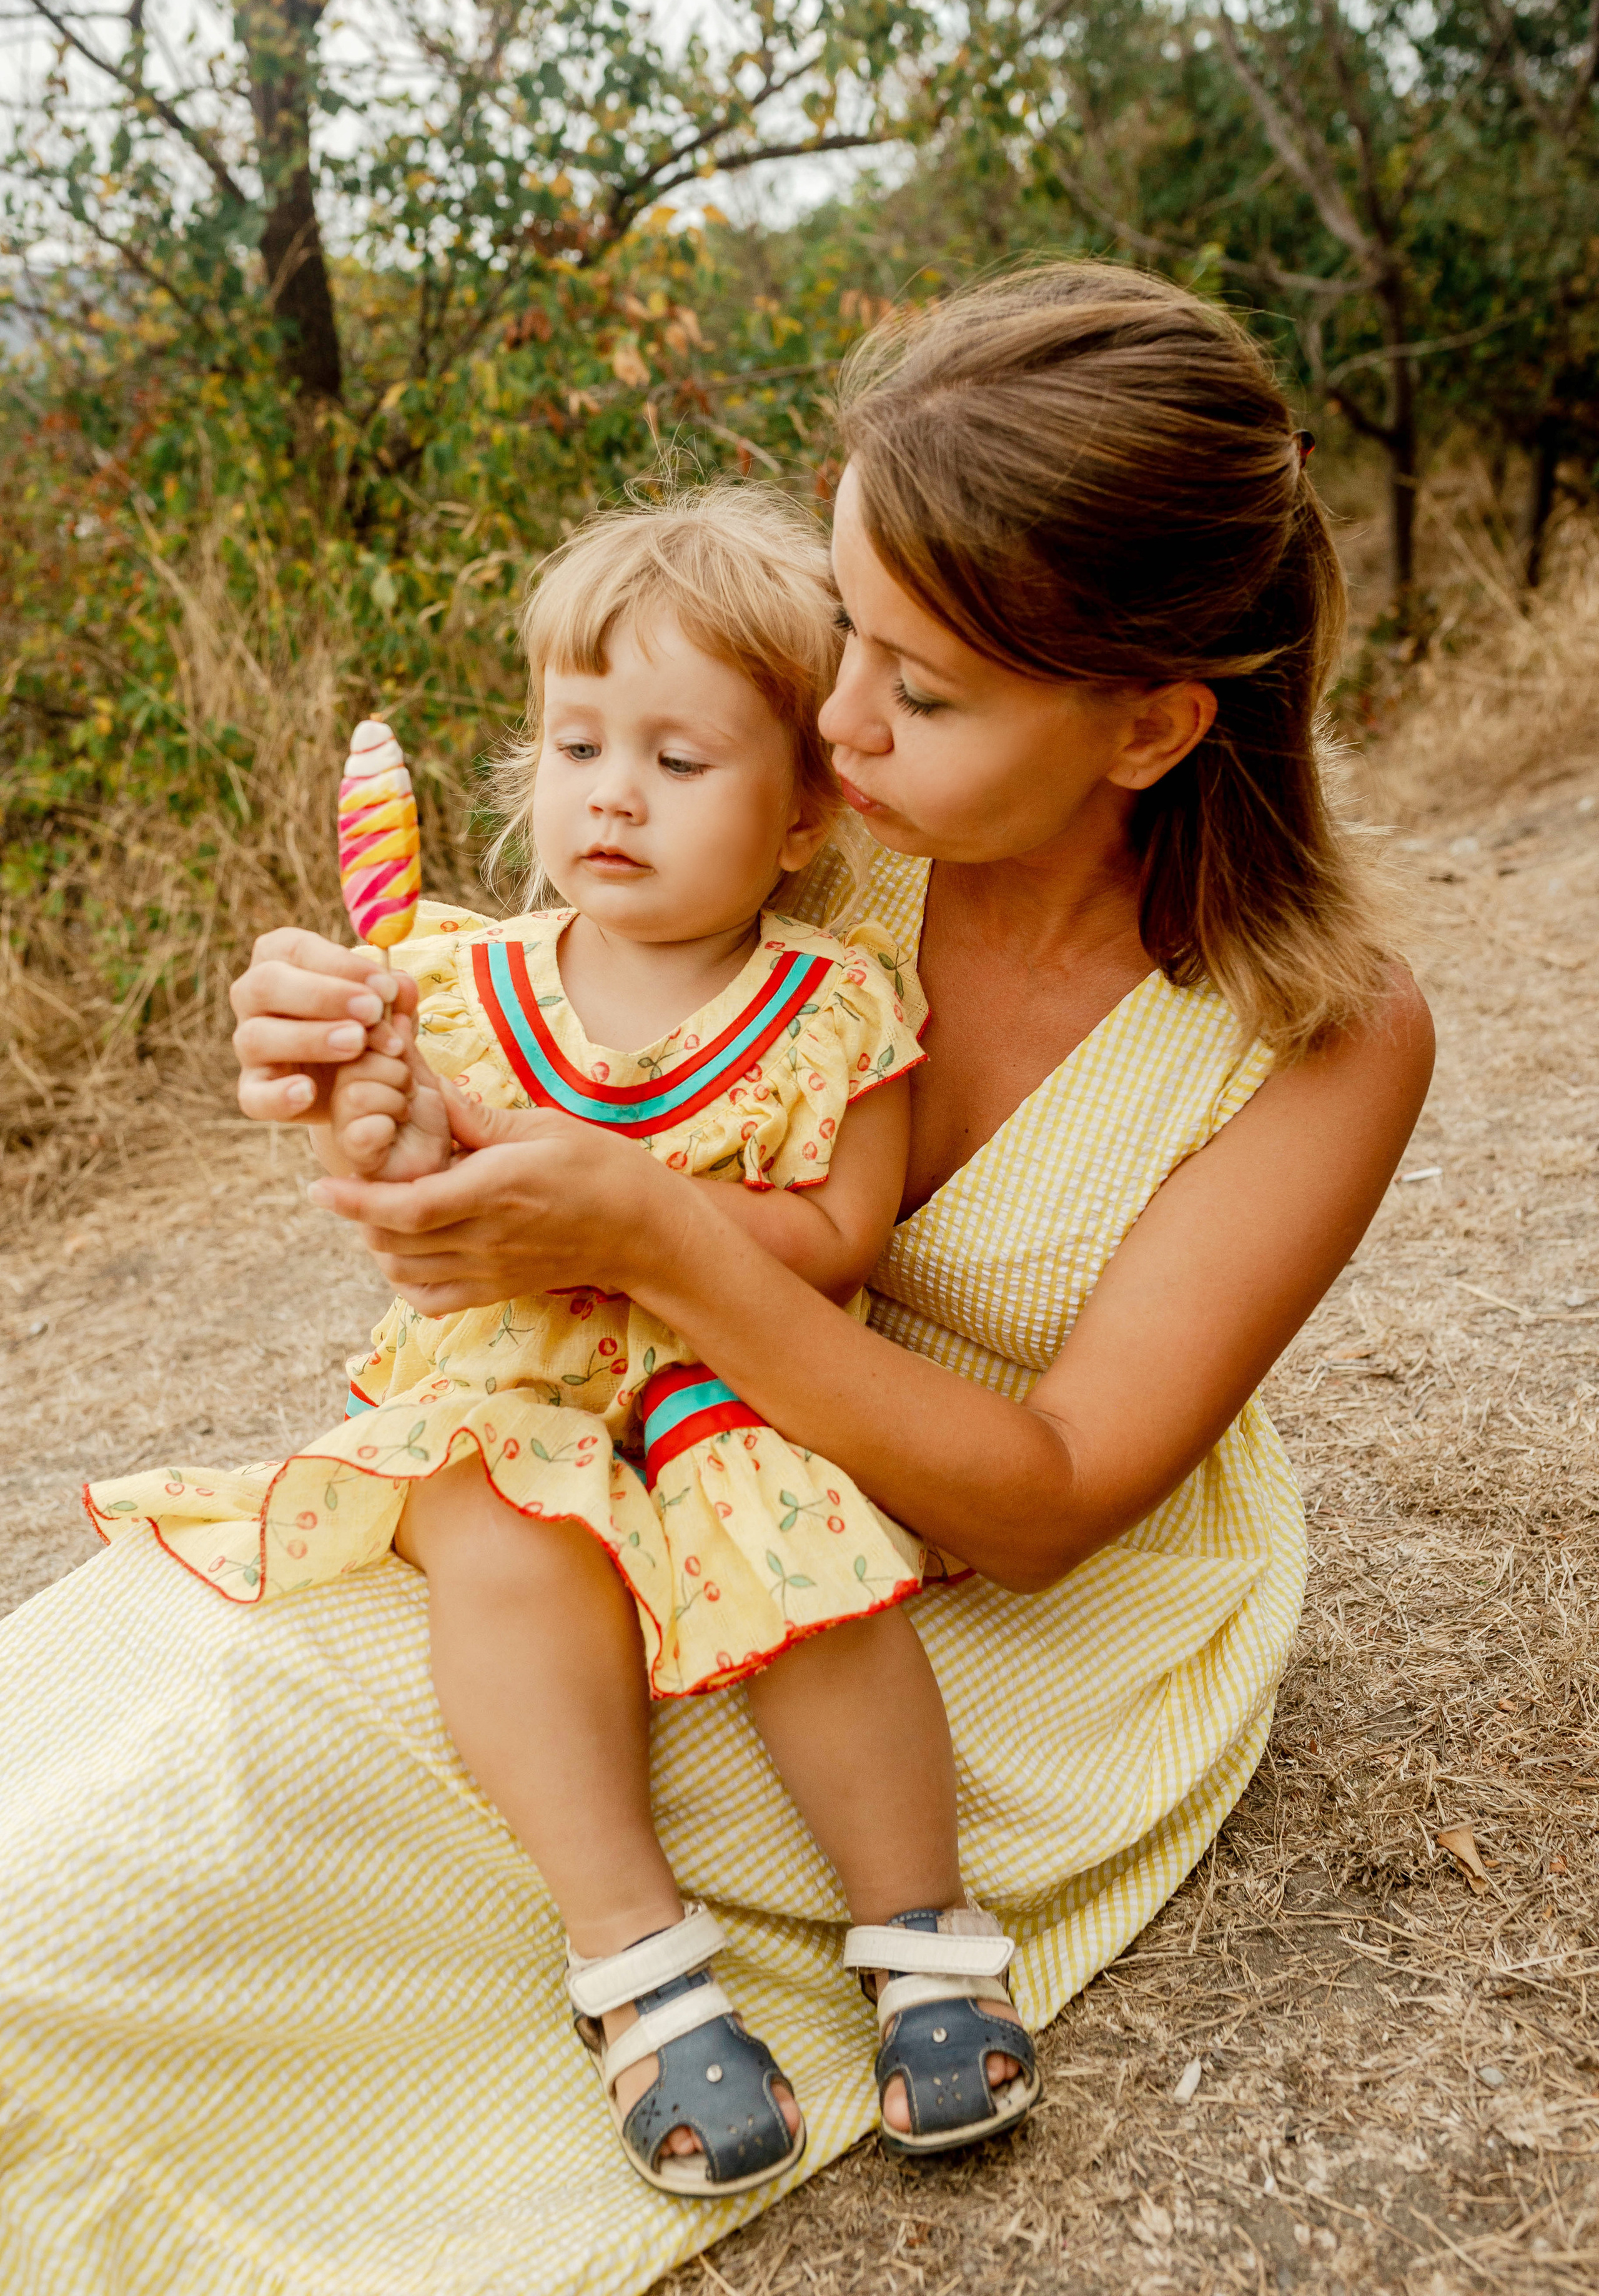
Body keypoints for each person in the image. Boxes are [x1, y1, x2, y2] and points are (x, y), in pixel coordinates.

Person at [0, 262, 1432, 2296]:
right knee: (176, 1696)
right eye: (849, 624)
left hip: (968, 1597)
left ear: (1153, 724)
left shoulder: (1320, 1033)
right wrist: (350, 1067)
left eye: (920, 689)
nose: (834, 719)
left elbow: (1043, 1507)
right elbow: (535, 1048)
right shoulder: (801, 825)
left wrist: (661, 1242)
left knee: (295, 1812)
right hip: (608, 1453)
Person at [82, 486, 1039, 2190]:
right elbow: (401, 1192)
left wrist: (636, 1214)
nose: (610, 793)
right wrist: (375, 1115)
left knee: (792, 1536)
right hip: (501, 1377)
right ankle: (644, 1972)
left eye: (682, 761)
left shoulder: (831, 1010)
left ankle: (919, 1931)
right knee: (507, 1538)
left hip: (722, 1367)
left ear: (808, 809)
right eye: (576, 742)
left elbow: (832, 1244)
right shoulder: (452, 979)